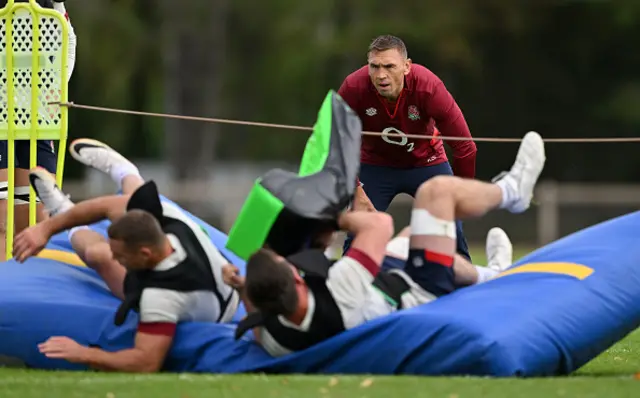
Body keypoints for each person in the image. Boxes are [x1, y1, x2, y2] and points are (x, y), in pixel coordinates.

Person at [233, 131, 544, 357]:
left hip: (381, 287)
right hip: (415, 292)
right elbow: (380, 223)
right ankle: (511, 192)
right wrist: (330, 217)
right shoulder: (340, 292)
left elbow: (258, 313)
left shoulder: (275, 339)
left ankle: (493, 274)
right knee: (434, 194)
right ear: (297, 281)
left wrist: (244, 286)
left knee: (415, 237)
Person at [12, 138, 240, 372]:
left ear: (144, 254)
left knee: (97, 255)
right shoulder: (171, 219)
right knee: (135, 201)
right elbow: (104, 207)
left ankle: (61, 208)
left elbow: (146, 362)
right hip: (208, 280)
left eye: (122, 257)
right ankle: (123, 170)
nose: (118, 259)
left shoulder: (159, 296)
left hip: (215, 308)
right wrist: (45, 229)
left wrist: (83, 353)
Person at [337, 35, 476, 261]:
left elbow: (465, 147)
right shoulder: (353, 86)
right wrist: (355, 192)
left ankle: (465, 291)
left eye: (389, 66)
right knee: (359, 231)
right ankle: (345, 292)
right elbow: (336, 142)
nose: (381, 75)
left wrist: (461, 195)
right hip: (375, 164)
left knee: (451, 232)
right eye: (375, 66)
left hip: (427, 163)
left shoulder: (429, 87)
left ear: (406, 67)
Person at [0, 0, 77, 260]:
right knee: (1, 217)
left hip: (37, 117)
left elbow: (67, 42)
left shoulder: (51, 7)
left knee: (35, 219)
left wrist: (54, 88)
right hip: (1, 120)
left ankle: (25, 290)